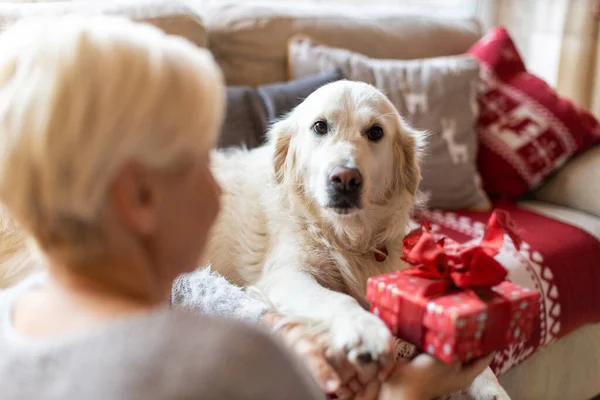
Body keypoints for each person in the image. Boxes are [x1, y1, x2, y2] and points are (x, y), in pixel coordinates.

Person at [0, 15, 491, 400]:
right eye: (198, 163)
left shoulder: (13, 316)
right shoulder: (231, 359)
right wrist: (407, 391)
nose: (225, 185)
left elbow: (192, 290)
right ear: (136, 197)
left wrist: (274, 322)